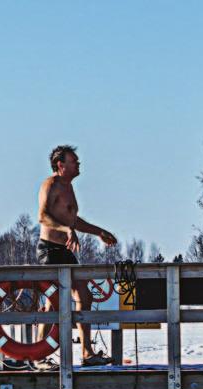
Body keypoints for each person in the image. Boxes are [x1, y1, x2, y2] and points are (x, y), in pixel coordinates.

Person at [38, 145, 119, 367]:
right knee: (53, 302)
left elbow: (73, 221)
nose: (79, 164)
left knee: (84, 295)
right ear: (60, 165)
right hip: (50, 250)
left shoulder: (69, 187)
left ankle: (87, 353)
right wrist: (66, 230)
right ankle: (39, 355)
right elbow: (43, 216)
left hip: (66, 251)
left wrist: (99, 232)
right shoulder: (51, 184)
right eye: (74, 161)